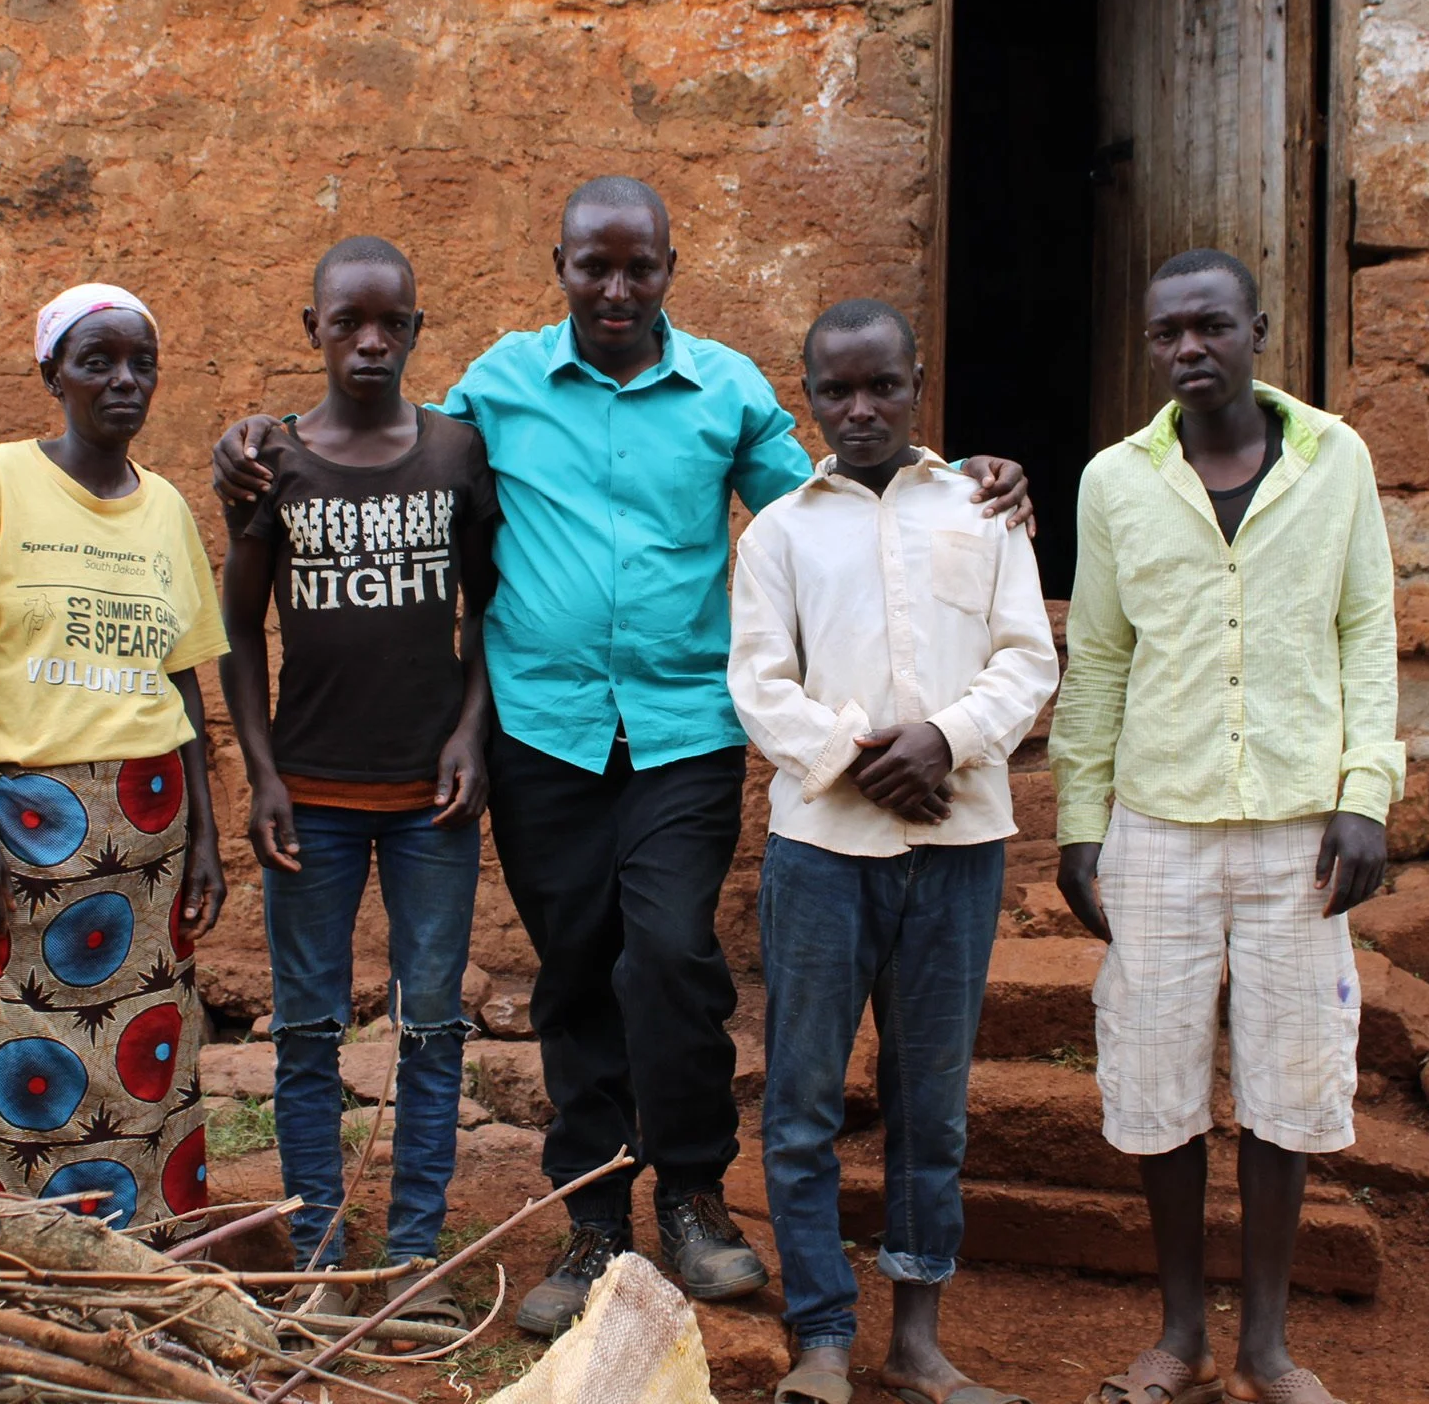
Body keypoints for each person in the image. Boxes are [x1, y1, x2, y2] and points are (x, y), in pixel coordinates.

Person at [211, 177, 1035, 1336]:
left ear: (669, 270)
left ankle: (692, 1195)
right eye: (592, 266)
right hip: (540, 731)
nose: (614, 288)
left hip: (683, 729)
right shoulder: (499, 383)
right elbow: (390, 436)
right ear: (559, 266)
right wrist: (259, 437)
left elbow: (834, 498)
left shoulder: (725, 390)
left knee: (670, 955)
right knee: (574, 967)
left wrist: (963, 476)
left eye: (637, 267)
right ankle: (594, 1215)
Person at [1048, 250, 1401, 1404]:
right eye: (1167, 333)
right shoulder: (1116, 481)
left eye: (1210, 325)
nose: (1188, 348)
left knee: (1288, 1081)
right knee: (1157, 1077)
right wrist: (1081, 820)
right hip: (1159, 820)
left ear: (1257, 328)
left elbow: (1367, 632)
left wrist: (1365, 792)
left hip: (1302, 826)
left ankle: (1268, 1348)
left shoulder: (1335, 461)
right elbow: (1100, 655)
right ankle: (1181, 1335)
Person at [729, 300, 1059, 1404]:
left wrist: (946, 741)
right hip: (823, 848)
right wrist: (860, 758)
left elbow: (1027, 658)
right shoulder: (779, 532)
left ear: (919, 383)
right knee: (804, 1101)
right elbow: (759, 682)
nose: (861, 408)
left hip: (957, 846)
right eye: (838, 390)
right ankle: (823, 1335)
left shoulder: (983, 507)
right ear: (810, 398)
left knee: (933, 1104)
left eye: (883, 385)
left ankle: (917, 1342)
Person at [0, 283, 231, 1239]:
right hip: (16, 827)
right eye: (96, 362)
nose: (124, 381)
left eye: (141, 364)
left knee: (137, 1053)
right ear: (52, 375)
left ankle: (132, 1243)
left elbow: (183, 687)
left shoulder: (165, 510)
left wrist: (206, 838)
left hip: (147, 832)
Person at [216, 237, 498, 1326]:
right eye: (349, 323)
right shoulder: (273, 463)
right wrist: (262, 771)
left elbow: (493, 610)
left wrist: (471, 730)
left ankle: (414, 1259)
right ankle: (321, 1258)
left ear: (418, 330)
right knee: (305, 1029)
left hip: (433, 800)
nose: (371, 343)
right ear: (315, 330)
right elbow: (240, 626)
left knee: (431, 1025)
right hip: (311, 796)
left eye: (392, 324)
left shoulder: (457, 453)